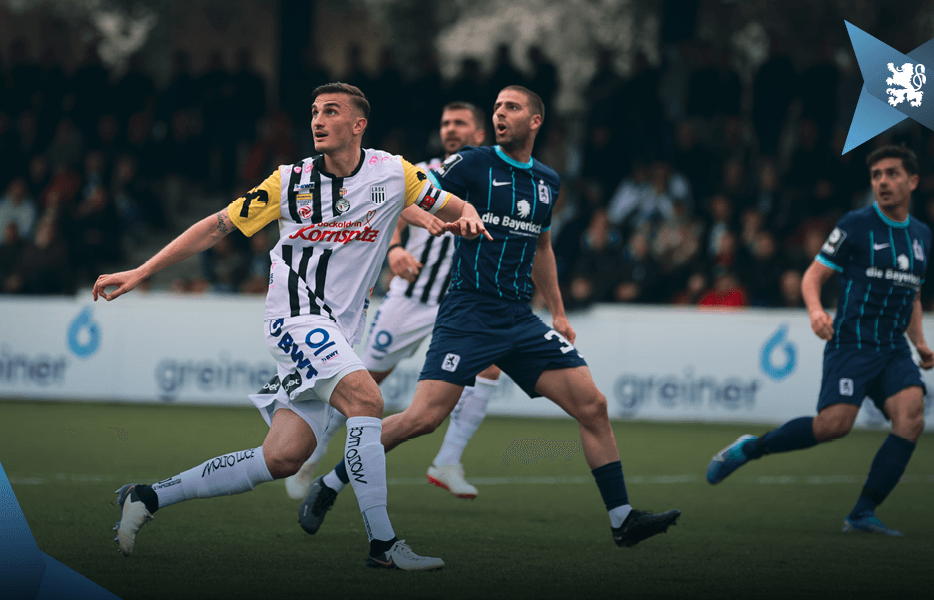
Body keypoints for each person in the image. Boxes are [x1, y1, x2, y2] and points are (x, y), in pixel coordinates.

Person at [92, 82, 491, 570]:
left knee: (282, 456)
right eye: (314, 112)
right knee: (367, 400)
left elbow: (452, 205)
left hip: (340, 332)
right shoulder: (289, 182)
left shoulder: (394, 172)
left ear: (358, 124)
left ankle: (148, 497)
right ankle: (383, 545)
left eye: (331, 111)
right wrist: (141, 271)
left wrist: (468, 217)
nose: (318, 120)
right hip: (295, 320)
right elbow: (215, 226)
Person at [303, 85, 681, 548]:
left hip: (520, 320)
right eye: (498, 107)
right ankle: (331, 483)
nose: (501, 114)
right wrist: (421, 232)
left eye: (512, 108)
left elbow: (542, 247)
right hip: (467, 313)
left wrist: (558, 313)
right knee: (422, 419)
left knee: (594, 406)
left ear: (536, 121)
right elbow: (411, 198)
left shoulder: (548, 180)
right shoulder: (472, 163)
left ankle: (623, 520)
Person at [706, 145, 934, 536]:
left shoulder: (922, 236)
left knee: (911, 417)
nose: (882, 181)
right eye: (877, 174)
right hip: (852, 341)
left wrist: (920, 342)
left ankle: (862, 513)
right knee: (834, 426)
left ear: (912, 181)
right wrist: (815, 312)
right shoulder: (856, 224)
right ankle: (752, 447)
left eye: (892, 173)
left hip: (894, 346)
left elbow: (911, 292)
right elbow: (812, 276)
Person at [287, 101, 501, 503]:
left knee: (490, 366)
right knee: (364, 384)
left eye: (460, 123)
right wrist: (396, 249)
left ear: (479, 134)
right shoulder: (429, 171)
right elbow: (396, 205)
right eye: (445, 122)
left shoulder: (493, 179)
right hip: (412, 299)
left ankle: (448, 461)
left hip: (461, 302)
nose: (450, 129)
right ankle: (309, 456)